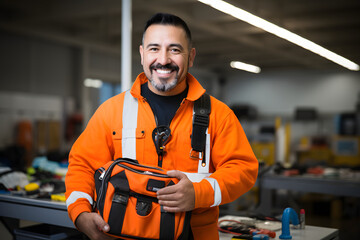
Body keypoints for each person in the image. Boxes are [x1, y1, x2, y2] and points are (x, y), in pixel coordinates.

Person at [65, 13, 258, 240]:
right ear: (142, 54)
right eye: (154, 48)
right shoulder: (111, 111)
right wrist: (80, 214)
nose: (164, 60)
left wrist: (199, 193)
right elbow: (82, 166)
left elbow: (243, 169)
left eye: (175, 50)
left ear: (191, 56)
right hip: (123, 234)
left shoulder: (219, 115)